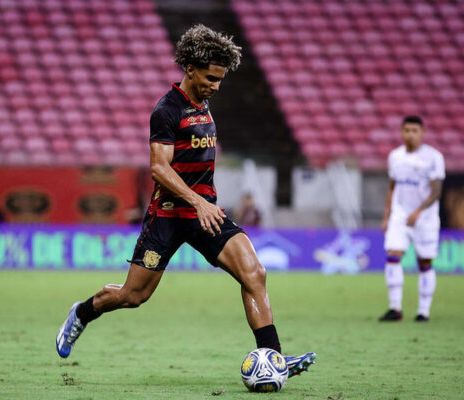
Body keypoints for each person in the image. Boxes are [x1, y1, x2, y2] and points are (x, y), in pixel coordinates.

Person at [56, 25, 315, 377]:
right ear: (190, 69)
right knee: (133, 296)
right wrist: (198, 201)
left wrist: (203, 203)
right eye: (211, 77)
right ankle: (83, 312)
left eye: (221, 79)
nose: (216, 86)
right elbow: (158, 168)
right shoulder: (166, 110)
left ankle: (274, 359)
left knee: (254, 273)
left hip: (204, 212)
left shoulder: (203, 101)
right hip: (168, 214)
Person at [379, 116, 445, 322]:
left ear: (422, 133)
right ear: (401, 132)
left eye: (415, 130)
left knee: (424, 261)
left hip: (425, 218)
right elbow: (392, 186)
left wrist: (418, 211)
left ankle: (423, 311)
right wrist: (386, 215)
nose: (410, 134)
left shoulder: (433, 157)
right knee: (392, 255)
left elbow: (436, 192)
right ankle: (395, 308)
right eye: (406, 130)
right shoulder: (395, 156)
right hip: (400, 215)